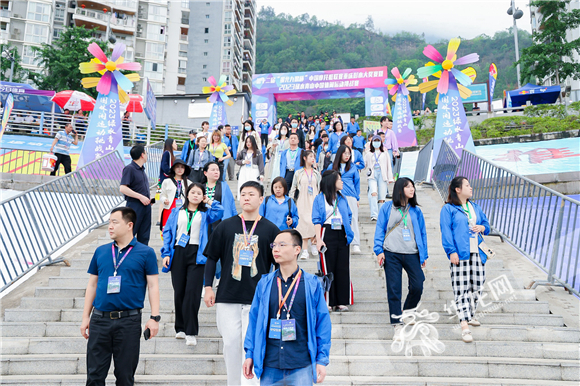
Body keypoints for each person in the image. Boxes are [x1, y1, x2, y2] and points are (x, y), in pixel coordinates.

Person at [203, 181, 280, 386]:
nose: (246, 197)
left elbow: (279, 264)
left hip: (258, 298)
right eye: (243, 194)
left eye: (251, 194)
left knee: (253, 346)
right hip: (228, 295)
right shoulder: (225, 226)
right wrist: (208, 287)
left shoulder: (271, 230)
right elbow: (211, 258)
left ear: (261, 199)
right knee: (230, 344)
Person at [80, 207, 160, 386]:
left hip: (128, 322)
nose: (110, 226)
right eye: (109, 222)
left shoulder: (145, 253)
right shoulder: (101, 251)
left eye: (114, 222)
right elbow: (92, 284)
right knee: (94, 377)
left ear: (129, 225)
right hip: (100, 320)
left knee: (125, 377)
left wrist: (154, 317)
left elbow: (153, 286)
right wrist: (86, 317)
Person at [242, 229, 331, 385]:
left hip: (301, 365)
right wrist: (250, 354)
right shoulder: (265, 284)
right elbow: (254, 320)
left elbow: (322, 323)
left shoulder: (312, 284)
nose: (276, 249)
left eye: (282, 245)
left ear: (297, 249)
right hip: (270, 365)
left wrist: (321, 360)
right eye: (274, 245)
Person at [161, 183, 224, 346]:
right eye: (193, 192)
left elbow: (220, 211)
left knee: (193, 292)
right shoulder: (176, 212)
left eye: (199, 193)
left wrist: (209, 201)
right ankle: (180, 328)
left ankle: (191, 331)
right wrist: (166, 253)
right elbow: (167, 232)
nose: (196, 195)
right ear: (187, 195)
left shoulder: (206, 213)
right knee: (179, 291)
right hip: (179, 252)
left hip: (198, 254)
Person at [373, 178, 428, 339]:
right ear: (399, 189)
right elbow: (380, 229)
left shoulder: (416, 210)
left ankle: (408, 310)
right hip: (391, 252)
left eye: (413, 187)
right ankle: (397, 324)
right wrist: (378, 251)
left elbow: (422, 234)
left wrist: (423, 254)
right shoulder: (387, 207)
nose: (412, 189)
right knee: (394, 288)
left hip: (412, 253)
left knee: (418, 284)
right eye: (408, 187)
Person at [440, 176, 491, 343]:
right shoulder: (448, 209)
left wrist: (482, 227)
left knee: (477, 285)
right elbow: (446, 232)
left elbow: (487, 226)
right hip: (460, 253)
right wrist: (451, 251)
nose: (471, 188)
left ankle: (469, 315)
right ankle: (464, 325)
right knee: (461, 288)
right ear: (458, 189)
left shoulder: (475, 207)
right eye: (467, 185)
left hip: (477, 252)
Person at [313, 170, 354, 312]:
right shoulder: (320, 198)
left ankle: (341, 301)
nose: (342, 181)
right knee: (327, 267)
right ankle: (328, 301)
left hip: (342, 234)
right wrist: (318, 239)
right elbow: (317, 220)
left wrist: (348, 231)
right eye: (339, 179)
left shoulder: (342, 198)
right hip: (327, 232)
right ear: (331, 181)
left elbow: (349, 215)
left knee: (342, 267)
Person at [329, 145, 361, 254]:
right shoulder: (332, 167)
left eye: (349, 153)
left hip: (350, 196)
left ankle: (356, 243)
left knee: (353, 219)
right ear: (340, 153)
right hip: (335, 196)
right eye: (345, 153)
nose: (347, 156)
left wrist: (357, 197)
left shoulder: (352, 167)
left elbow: (357, 183)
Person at [290, 150, 322, 260]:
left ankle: (314, 244)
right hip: (302, 201)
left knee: (314, 222)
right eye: (311, 156)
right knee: (303, 224)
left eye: (314, 157)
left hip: (314, 201)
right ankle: (304, 250)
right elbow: (293, 188)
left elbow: (320, 188)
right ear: (304, 158)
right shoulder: (298, 173)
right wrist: (291, 202)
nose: (313, 159)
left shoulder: (317, 173)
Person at [120, 145, 152, 245]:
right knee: (130, 234)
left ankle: (141, 258)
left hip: (145, 206)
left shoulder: (141, 169)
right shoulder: (130, 169)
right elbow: (123, 188)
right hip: (134, 206)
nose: (147, 155)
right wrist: (140, 197)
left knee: (144, 235)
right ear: (142, 155)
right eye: (146, 153)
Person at [364, 136, 394, 221]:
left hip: (382, 174)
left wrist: (390, 177)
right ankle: (374, 214)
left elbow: (388, 166)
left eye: (378, 141)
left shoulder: (385, 153)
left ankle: (381, 214)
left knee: (382, 196)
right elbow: (364, 164)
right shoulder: (369, 153)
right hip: (372, 175)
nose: (376, 142)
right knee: (373, 193)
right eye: (375, 141)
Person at [203, 161, 238, 228]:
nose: (216, 172)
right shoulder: (201, 187)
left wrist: (235, 220)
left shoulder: (224, 186)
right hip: (205, 221)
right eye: (213, 170)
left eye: (217, 170)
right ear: (205, 173)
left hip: (221, 221)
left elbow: (231, 204)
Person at [159, 159, 190, 231]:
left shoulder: (189, 183)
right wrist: (164, 200)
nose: (180, 169)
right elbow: (162, 195)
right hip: (169, 207)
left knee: (180, 229)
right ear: (173, 168)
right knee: (167, 229)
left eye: (182, 167)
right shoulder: (167, 181)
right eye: (177, 167)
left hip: (183, 207)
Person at [380, 117, 399, 198]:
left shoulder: (391, 132)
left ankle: (390, 187)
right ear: (381, 122)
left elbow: (394, 142)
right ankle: (385, 191)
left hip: (389, 150)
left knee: (389, 168)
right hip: (380, 151)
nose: (387, 122)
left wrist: (395, 151)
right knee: (382, 169)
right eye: (385, 121)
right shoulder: (378, 132)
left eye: (388, 121)